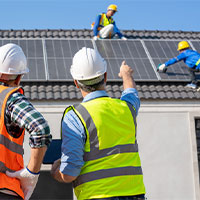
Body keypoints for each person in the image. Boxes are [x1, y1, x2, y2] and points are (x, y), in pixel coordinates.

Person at [51, 47, 146, 200]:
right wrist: (126, 74)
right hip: (135, 195)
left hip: (97, 195)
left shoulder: (76, 116)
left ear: (76, 82)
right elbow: (131, 93)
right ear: (105, 76)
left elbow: (70, 172)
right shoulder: (126, 108)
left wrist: (57, 172)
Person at [0, 43, 52, 200]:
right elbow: (40, 128)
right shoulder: (10, 98)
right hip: (5, 189)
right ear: (19, 76)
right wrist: (31, 173)